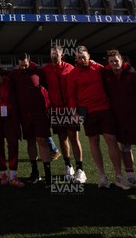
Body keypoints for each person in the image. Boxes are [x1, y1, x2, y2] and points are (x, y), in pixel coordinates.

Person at [66, 46, 132, 190]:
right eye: (78, 57)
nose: (81, 59)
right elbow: (71, 95)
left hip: (104, 109)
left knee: (111, 140)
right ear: (75, 58)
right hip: (88, 112)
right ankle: (102, 176)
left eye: (83, 56)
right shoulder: (73, 74)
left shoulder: (99, 68)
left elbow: (114, 69)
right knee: (93, 141)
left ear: (89, 56)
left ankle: (119, 176)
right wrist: (73, 112)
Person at [103, 50, 136, 190]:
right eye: (111, 61)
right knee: (125, 148)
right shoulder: (107, 76)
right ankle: (130, 177)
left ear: (122, 59)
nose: (114, 63)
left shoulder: (134, 75)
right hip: (120, 119)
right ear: (108, 63)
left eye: (116, 60)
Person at [43, 44, 86, 183]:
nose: (54, 56)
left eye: (56, 53)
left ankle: (80, 169)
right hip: (56, 109)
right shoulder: (46, 69)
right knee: (62, 138)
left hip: (71, 108)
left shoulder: (70, 68)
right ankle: (68, 166)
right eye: (52, 54)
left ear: (62, 54)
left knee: (74, 137)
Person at [8, 53, 53, 187]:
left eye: (25, 65)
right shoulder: (14, 75)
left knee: (42, 141)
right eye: (21, 65)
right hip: (24, 114)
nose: (23, 67)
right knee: (31, 141)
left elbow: (49, 87)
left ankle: (48, 174)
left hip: (39, 113)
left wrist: (48, 106)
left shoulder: (39, 71)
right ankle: (35, 172)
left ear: (29, 61)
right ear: (18, 64)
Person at [0, 68, 24, 187]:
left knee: (13, 144)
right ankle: (3, 174)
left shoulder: (10, 82)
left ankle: (13, 175)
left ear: (3, 77)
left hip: (10, 118)